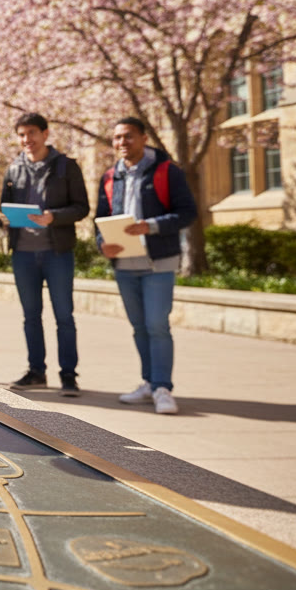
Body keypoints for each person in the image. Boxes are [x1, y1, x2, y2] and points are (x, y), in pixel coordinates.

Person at [96, 118, 197, 415]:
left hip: (158, 262)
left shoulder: (167, 171)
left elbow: (187, 213)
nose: (122, 142)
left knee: (157, 325)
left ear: (143, 137)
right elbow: (100, 219)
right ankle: (148, 382)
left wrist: (149, 226)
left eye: (128, 136)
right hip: (123, 264)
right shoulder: (110, 176)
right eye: (117, 138)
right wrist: (102, 244)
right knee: (139, 327)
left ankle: (163, 387)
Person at [0, 113, 90, 396]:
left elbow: (82, 208)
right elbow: (5, 207)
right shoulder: (13, 170)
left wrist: (54, 217)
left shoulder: (66, 167)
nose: (27, 140)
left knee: (64, 315)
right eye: (22, 134)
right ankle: (36, 372)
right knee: (31, 316)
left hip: (57, 252)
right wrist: (6, 218)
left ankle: (68, 375)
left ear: (45, 134)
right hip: (23, 254)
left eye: (32, 133)